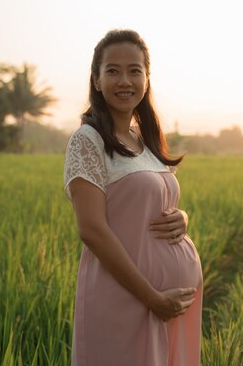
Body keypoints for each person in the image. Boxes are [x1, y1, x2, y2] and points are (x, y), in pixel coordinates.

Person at [63, 29, 203, 366]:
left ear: (146, 78)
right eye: (112, 70)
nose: (124, 80)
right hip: (126, 300)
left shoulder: (145, 139)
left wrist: (181, 218)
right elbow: (92, 230)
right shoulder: (88, 140)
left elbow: (149, 203)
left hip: (170, 304)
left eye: (134, 70)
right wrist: (153, 298)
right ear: (96, 80)